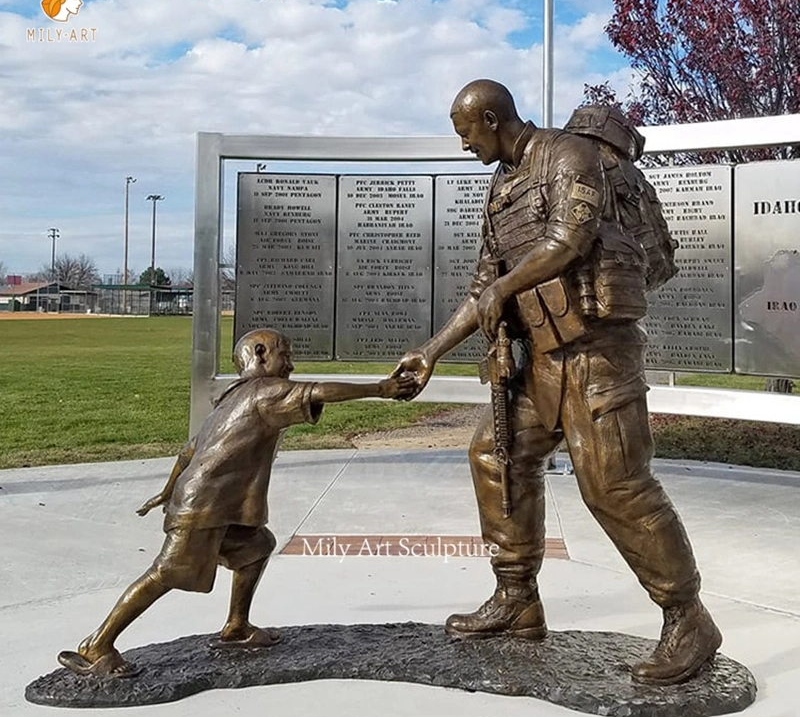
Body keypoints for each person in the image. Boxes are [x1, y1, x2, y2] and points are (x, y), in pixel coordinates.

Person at [393, 79, 721, 685]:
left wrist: (501, 289)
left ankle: (688, 618)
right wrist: (432, 350)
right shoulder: (500, 187)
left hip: (597, 354)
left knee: (615, 487)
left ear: (491, 119)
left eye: (466, 133)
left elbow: (568, 239)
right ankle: (517, 597)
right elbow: (482, 285)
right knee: (495, 454)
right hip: (538, 358)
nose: (462, 145)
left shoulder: (570, 154)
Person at [58, 328, 415, 678]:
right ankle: (97, 645)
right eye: (285, 355)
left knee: (257, 547)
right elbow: (319, 391)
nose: (290, 365)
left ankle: (237, 626)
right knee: (165, 574)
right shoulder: (265, 391)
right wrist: (381, 388)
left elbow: (189, 451)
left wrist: (168, 491)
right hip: (205, 506)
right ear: (260, 354)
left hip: (213, 504)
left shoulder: (232, 397)